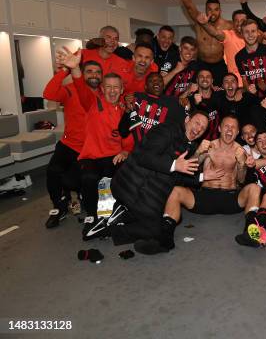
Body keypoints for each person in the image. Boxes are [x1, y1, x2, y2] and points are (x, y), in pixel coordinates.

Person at [149, 115, 259, 253]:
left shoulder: (240, 151)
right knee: (176, 191)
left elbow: (241, 180)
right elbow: (189, 169)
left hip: (230, 197)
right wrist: (198, 152)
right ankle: (165, 239)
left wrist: (243, 164)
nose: (229, 129)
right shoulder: (208, 146)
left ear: (237, 132)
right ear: (219, 128)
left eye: (233, 127)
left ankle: (251, 232)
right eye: (226, 126)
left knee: (254, 188)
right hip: (206, 197)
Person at [56, 48, 134, 240]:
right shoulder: (93, 102)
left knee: (129, 174)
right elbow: (81, 88)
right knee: (89, 178)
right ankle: (92, 216)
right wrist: (75, 69)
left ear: (122, 90)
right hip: (92, 157)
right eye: (108, 87)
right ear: (102, 88)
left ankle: (120, 212)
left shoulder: (125, 111)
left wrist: (125, 151)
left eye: (117, 87)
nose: (113, 90)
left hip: (114, 156)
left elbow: (128, 140)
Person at [110, 110, 214, 250]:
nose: (198, 129)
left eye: (203, 128)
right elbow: (144, 157)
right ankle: (111, 229)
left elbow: (179, 176)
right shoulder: (167, 130)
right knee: (157, 230)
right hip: (132, 187)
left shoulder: (190, 145)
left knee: (167, 224)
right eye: (197, 123)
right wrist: (174, 165)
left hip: (148, 194)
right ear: (187, 119)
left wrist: (203, 177)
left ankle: (124, 215)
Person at [43, 57, 102, 228]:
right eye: (89, 71)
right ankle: (58, 208)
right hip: (69, 145)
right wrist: (65, 70)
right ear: (81, 74)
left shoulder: (105, 93)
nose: (94, 75)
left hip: (90, 149)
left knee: (80, 179)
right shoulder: (70, 90)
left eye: (98, 72)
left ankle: (82, 197)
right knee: (53, 172)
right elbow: (49, 94)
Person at [172, 0, 233, 86]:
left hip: (219, 65)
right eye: (210, 9)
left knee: (220, 92)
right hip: (202, 63)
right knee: (197, 91)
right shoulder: (199, 22)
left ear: (220, 10)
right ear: (205, 10)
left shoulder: (228, 25)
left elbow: (244, 29)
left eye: (216, 9)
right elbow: (188, 4)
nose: (213, 12)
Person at [119, 72, 184, 146]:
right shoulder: (135, 99)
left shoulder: (173, 104)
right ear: (145, 87)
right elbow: (123, 132)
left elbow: (181, 133)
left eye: (159, 80)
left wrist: (187, 105)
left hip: (161, 153)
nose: (156, 82)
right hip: (137, 154)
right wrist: (128, 110)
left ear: (164, 85)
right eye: (151, 81)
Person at [195, 10, 247, 85]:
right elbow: (215, 33)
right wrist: (205, 24)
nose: (239, 23)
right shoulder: (228, 36)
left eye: (242, 21)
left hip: (251, 83)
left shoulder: (253, 37)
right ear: (233, 22)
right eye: (236, 21)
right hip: (233, 83)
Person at [234, 19, 266, 98]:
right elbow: (244, 79)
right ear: (241, 34)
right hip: (254, 99)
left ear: (258, 32)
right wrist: (248, 89)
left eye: (253, 31)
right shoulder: (239, 57)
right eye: (246, 32)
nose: (250, 35)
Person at [180, 69, 220, 141]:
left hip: (215, 142)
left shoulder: (219, 96)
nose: (205, 79)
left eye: (208, 77)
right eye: (201, 76)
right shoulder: (190, 98)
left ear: (212, 81)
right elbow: (176, 104)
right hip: (194, 141)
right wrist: (188, 91)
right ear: (197, 80)